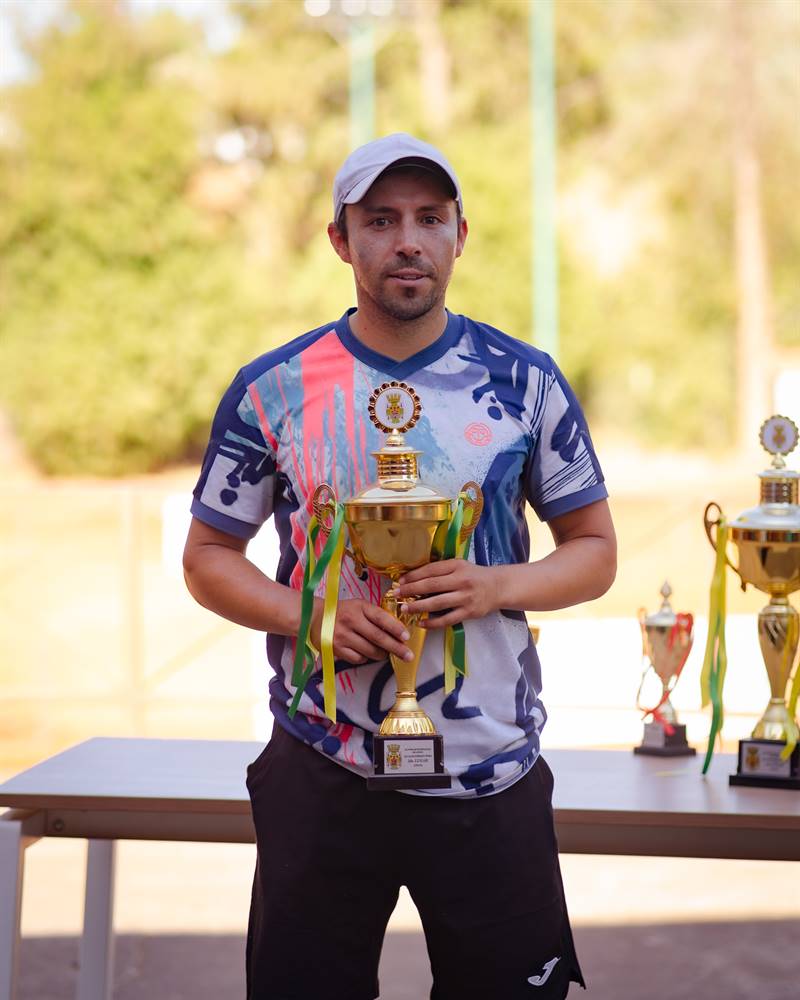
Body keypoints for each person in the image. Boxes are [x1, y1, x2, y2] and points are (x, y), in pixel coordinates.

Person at [183, 132, 616, 1000]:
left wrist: (495, 585)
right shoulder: (275, 387)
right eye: (380, 221)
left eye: (429, 218)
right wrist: (312, 618)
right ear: (341, 241)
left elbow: (595, 551)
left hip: (489, 772)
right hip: (323, 766)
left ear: (461, 235)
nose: (408, 241)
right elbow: (208, 558)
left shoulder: (526, 381)